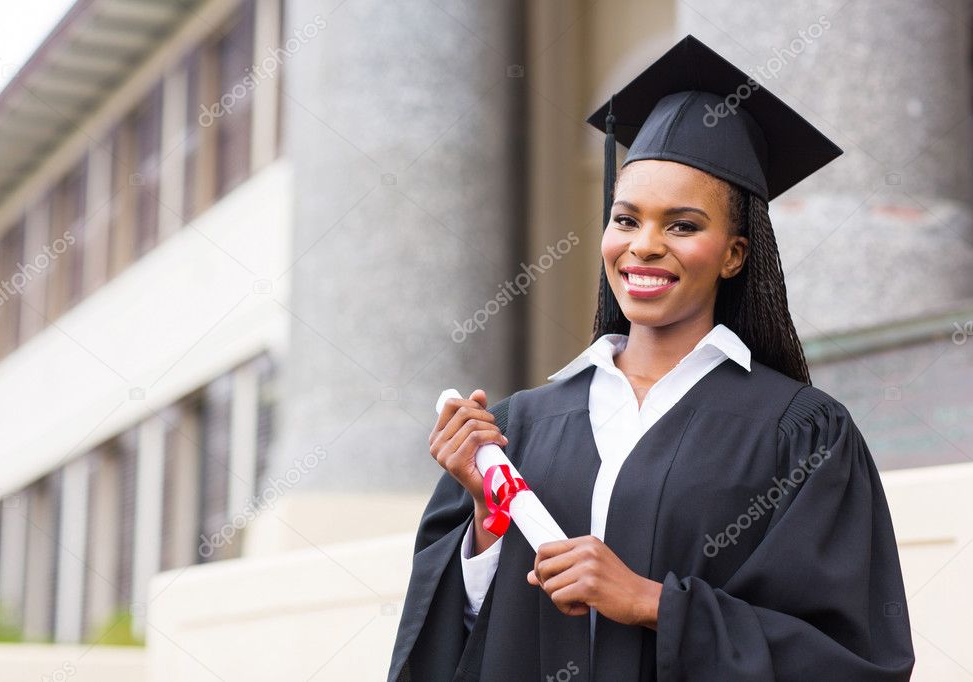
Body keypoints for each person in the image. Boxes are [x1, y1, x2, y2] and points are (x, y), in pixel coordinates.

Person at [387, 35, 915, 681]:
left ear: (734, 254)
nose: (644, 246)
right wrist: (487, 520)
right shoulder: (517, 428)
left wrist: (653, 603)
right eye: (625, 219)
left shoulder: (800, 432)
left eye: (683, 225)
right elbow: (444, 644)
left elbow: (851, 660)